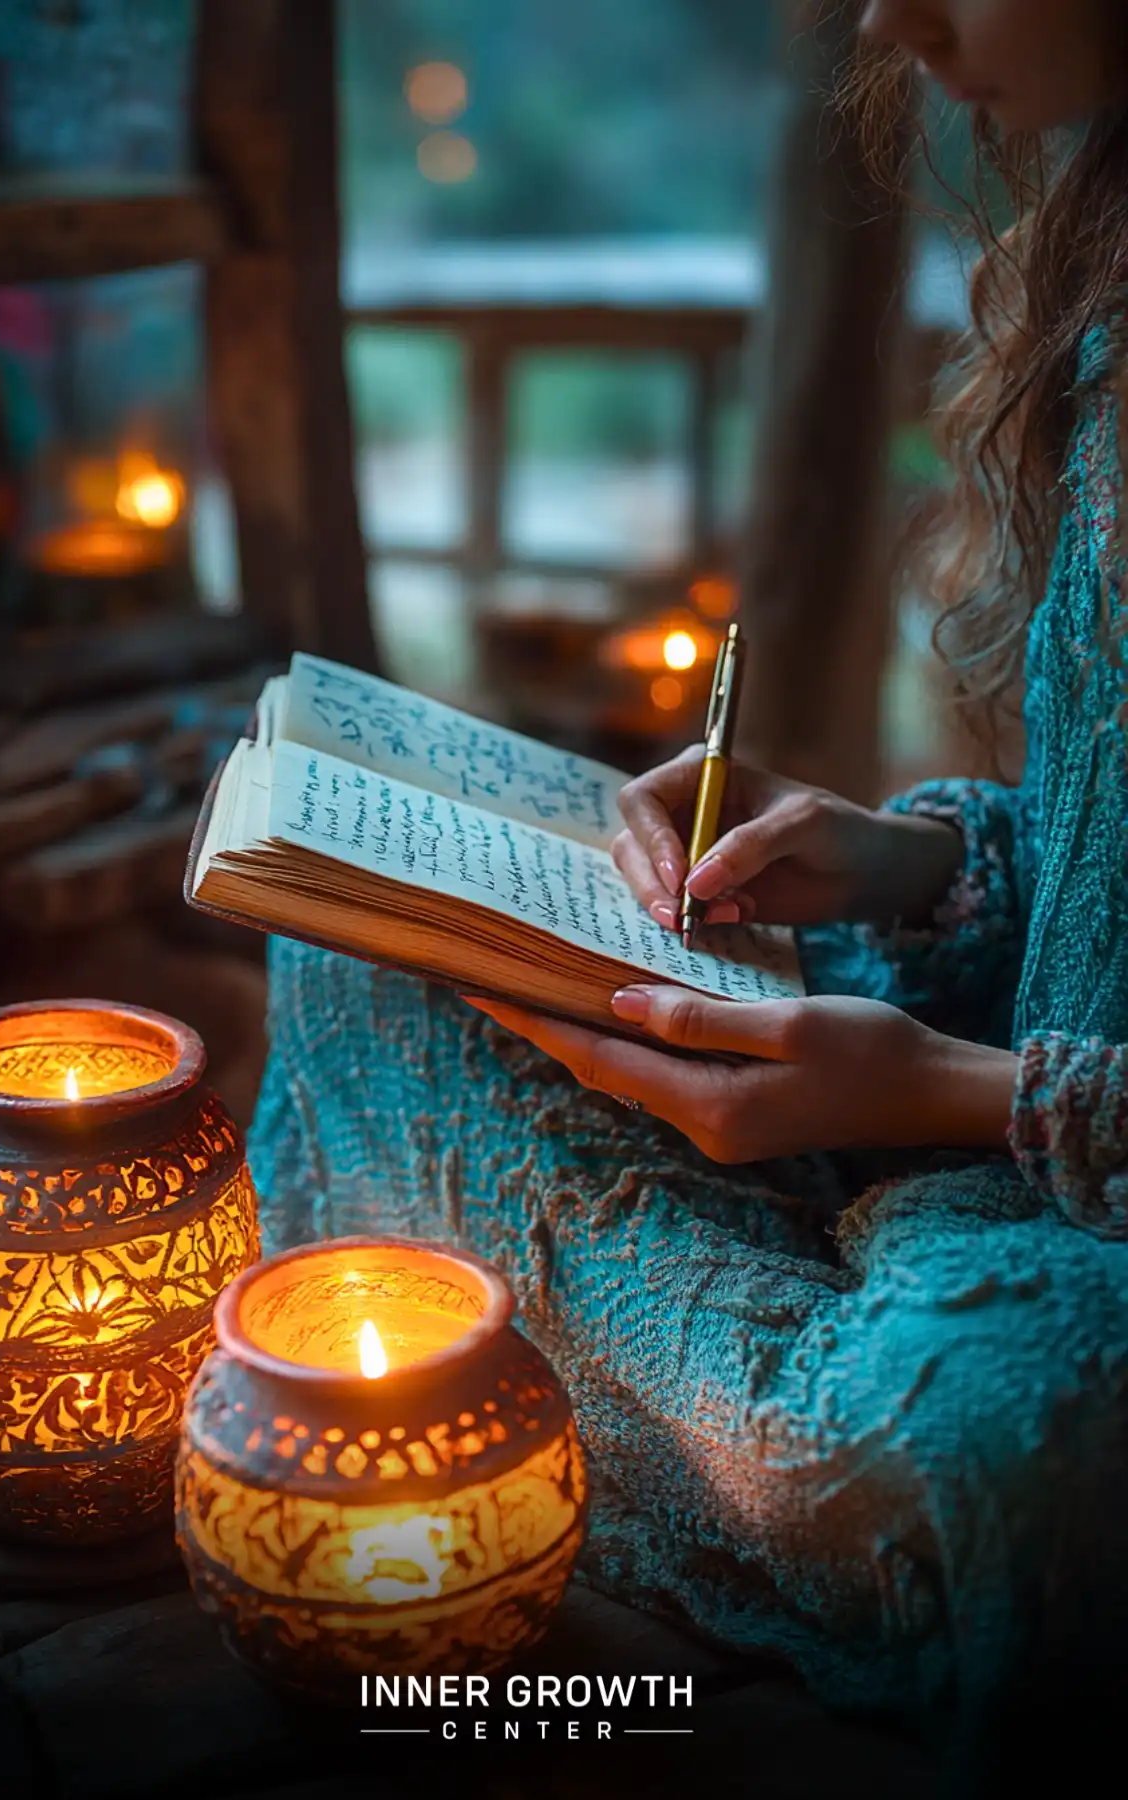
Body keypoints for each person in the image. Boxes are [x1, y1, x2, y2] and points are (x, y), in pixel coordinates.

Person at [249, 0, 1128, 1776]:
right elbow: (1098, 859)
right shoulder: (1108, 299)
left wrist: (963, 1096)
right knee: (364, 963)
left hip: (1049, 1201)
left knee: (973, 1433)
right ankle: (805, 1257)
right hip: (993, 1103)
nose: (895, 21)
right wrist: (913, 858)